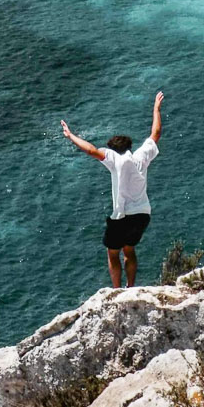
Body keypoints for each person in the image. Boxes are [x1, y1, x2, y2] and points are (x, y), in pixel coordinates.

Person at [60, 92, 163, 288]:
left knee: (113, 252)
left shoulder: (114, 158)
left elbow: (91, 150)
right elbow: (155, 133)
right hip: (143, 214)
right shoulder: (140, 156)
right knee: (130, 250)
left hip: (122, 217)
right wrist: (156, 109)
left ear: (113, 149)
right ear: (129, 147)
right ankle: (130, 287)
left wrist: (70, 135)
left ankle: (116, 290)